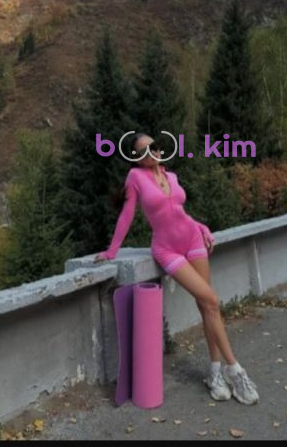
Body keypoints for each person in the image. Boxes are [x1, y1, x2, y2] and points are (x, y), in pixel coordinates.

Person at [94, 133, 259, 405]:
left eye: (154, 147)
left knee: (206, 306)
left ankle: (215, 372)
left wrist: (202, 227)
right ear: (137, 158)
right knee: (211, 300)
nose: (151, 152)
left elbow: (179, 211)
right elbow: (127, 215)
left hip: (193, 239)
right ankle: (235, 370)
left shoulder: (171, 176)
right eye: (143, 151)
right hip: (166, 249)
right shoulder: (135, 177)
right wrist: (112, 251)